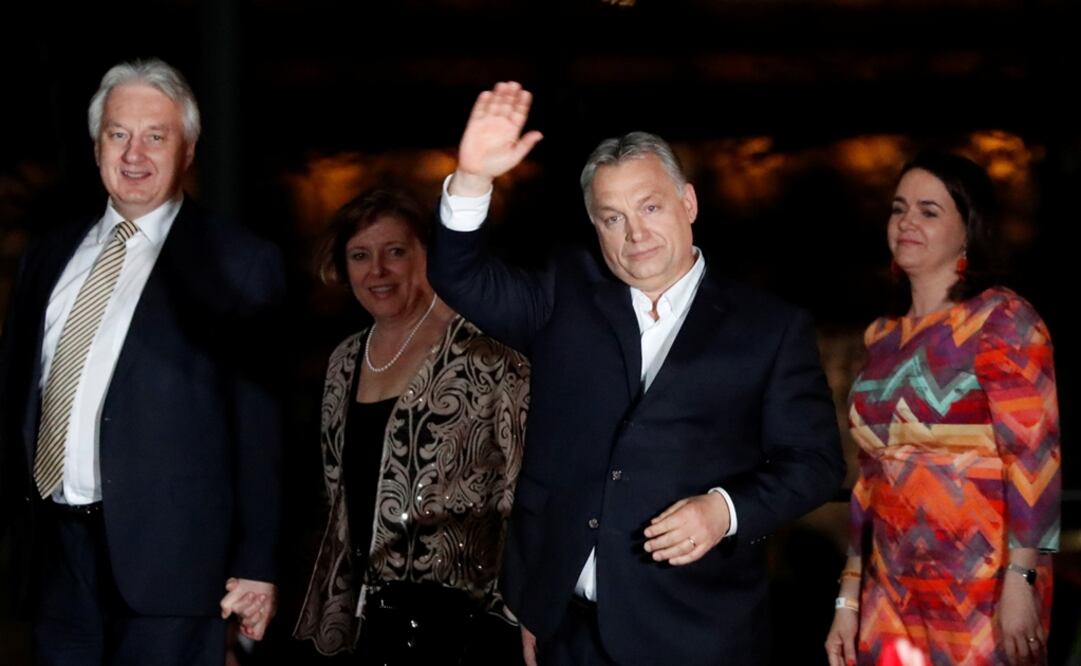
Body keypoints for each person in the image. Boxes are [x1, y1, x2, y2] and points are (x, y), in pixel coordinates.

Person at [428, 81, 844, 666]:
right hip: (563, 628)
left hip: (697, 631)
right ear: (596, 228)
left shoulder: (770, 328)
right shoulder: (562, 291)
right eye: (612, 218)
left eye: (650, 207)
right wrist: (471, 180)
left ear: (688, 204)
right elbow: (461, 278)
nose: (636, 234)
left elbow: (817, 463)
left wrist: (724, 509)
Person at [0, 58, 285, 664]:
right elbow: (17, 398)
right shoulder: (47, 256)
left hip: (174, 566)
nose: (135, 154)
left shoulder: (238, 261)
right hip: (56, 562)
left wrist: (257, 564)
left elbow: (261, 428)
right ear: (97, 143)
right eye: (118, 134)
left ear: (187, 149)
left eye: (156, 136)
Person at [824, 152, 1061, 666]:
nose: (908, 221)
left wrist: (1022, 578)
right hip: (891, 594)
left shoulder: (1003, 320)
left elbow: (1034, 461)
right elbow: (868, 479)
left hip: (984, 586)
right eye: (899, 208)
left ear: (967, 232)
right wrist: (848, 597)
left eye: (929, 211)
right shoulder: (881, 337)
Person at [291, 188, 530, 665]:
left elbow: (523, 487)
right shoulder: (343, 360)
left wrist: (523, 612)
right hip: (365, 621)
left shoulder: (487, 350)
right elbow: (336, 496)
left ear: (429, 254)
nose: (376, 271)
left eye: (394, 252)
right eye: (360, 255)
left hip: (462, 626)